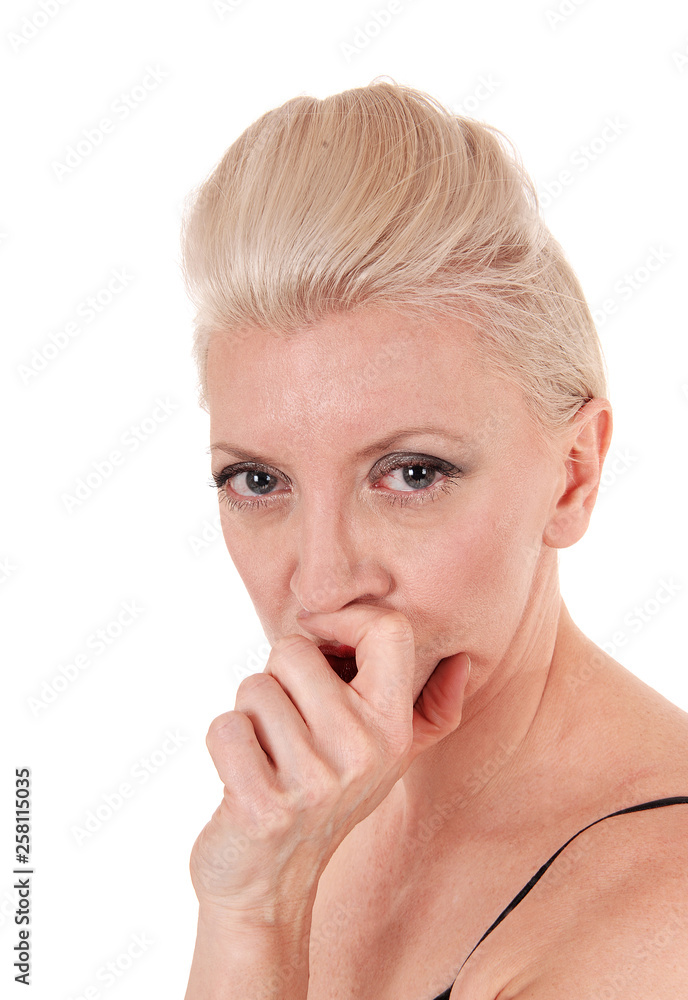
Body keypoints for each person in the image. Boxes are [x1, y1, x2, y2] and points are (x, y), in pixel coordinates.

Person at [179, 80, 688, 999]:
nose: (322, 584)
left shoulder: (666, 919)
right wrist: (253, 900)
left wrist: (256, 916)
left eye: (412, 474)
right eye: (258, 481)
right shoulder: (306, 808)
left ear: (573, 475)